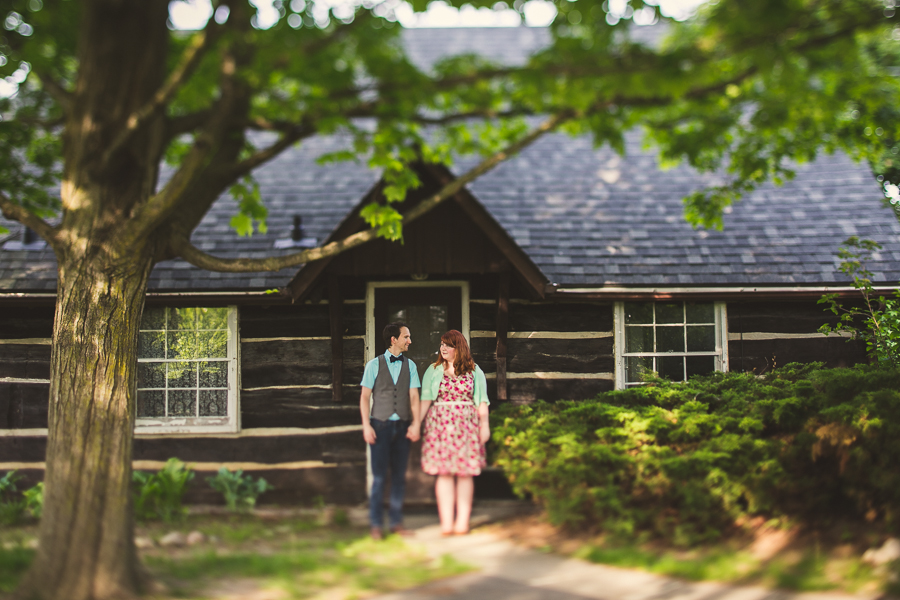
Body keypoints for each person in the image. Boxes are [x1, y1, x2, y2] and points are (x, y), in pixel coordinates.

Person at [419, 329, 490, 535]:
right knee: (444, 473)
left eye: (448, 345)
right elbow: (425, 400)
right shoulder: (433, 370)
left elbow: (482, 401)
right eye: (442, 344)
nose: (443, 348)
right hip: (440, 426)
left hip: (467, 426)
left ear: (459, 348)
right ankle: (447, 523)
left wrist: (484, 426)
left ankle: (462, 523)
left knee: (465, 473)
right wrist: (416, 424)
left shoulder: (475, 371)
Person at [359, 322, 421, 540]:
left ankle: (396, 523)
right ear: (394, 339)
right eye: (406, 337)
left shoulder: (411, 366)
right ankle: (376, 524)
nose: (410, 341)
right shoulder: (373, 365)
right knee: (378, 478)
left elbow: (414, 397)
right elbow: (365, 397)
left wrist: (415, 424)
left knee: (398, 477)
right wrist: (366, 426)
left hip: (403, 426)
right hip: (380, 426)